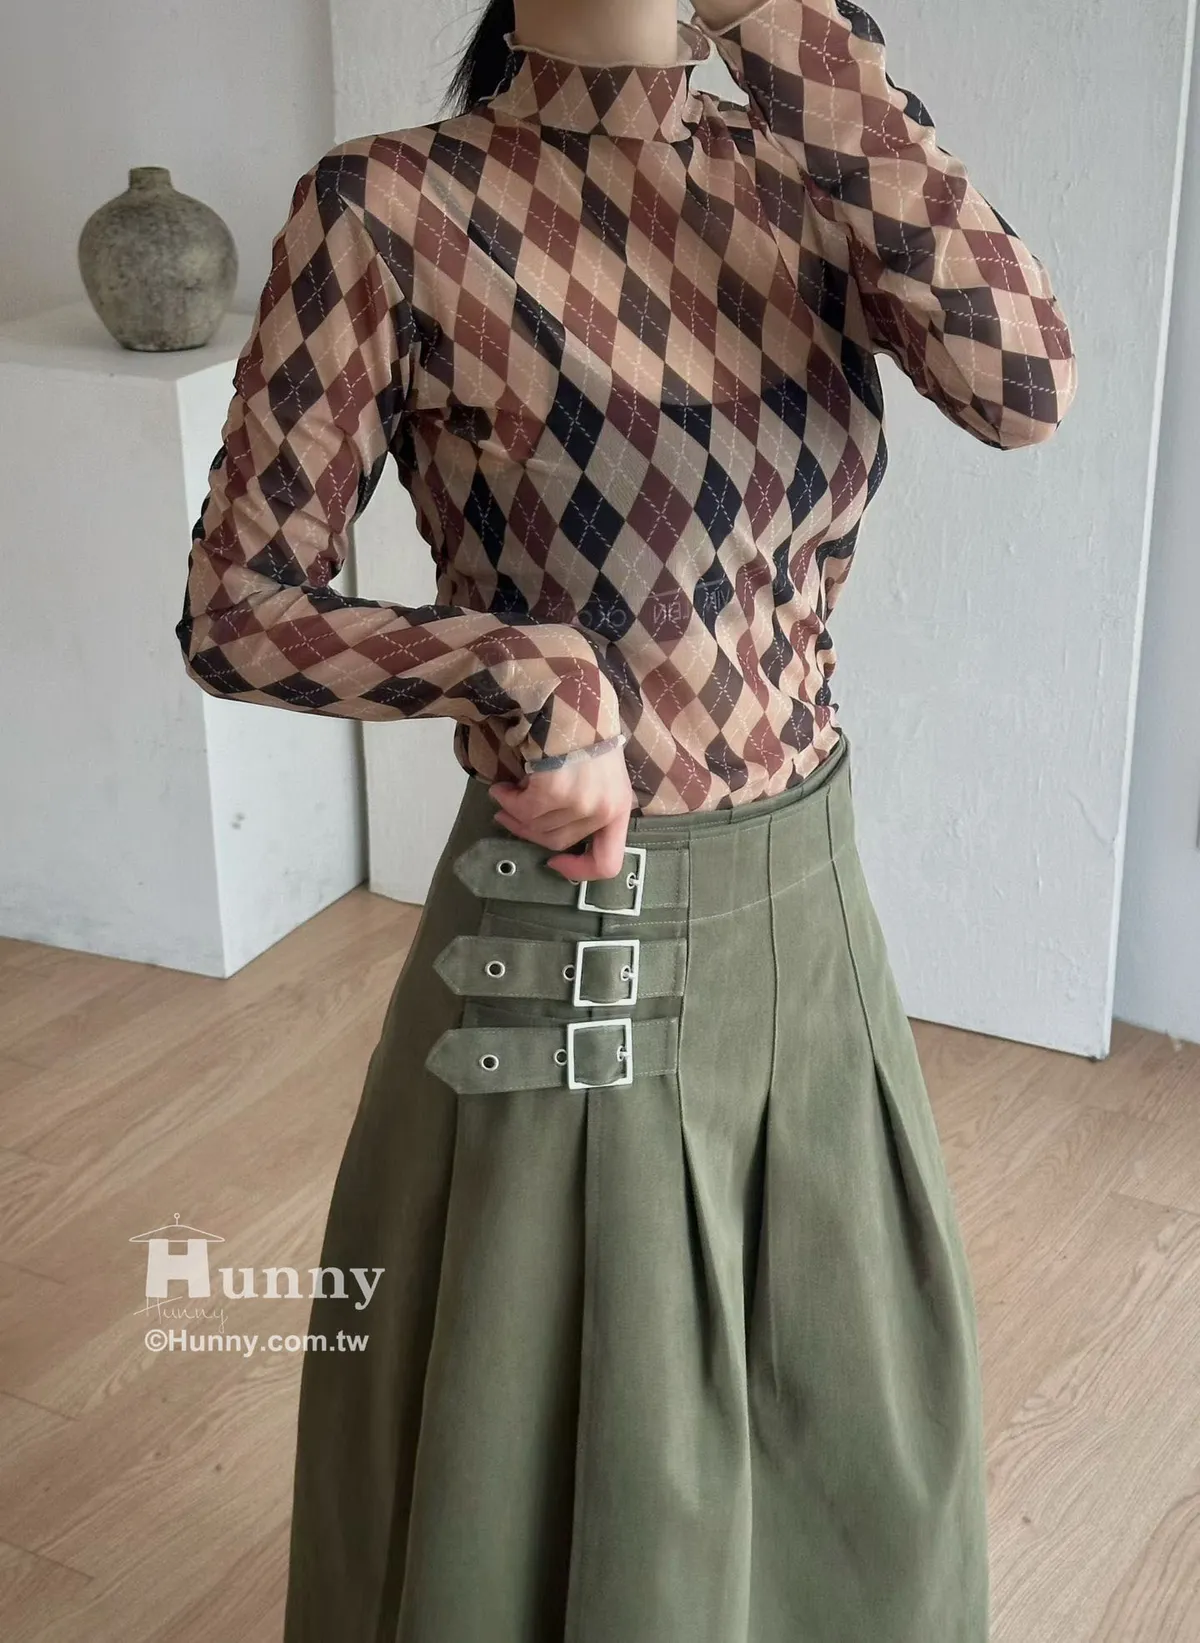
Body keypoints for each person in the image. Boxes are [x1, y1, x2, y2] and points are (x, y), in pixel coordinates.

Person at [175, 1, 1077, 1638]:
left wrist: (786, 33)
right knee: (564, 1475)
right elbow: (239, 611)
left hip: (809, 921)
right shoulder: (390, 209)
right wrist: (523, 668)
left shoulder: (804, 160)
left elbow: (1024, 386)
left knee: (853, 1452)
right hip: (570, 944)